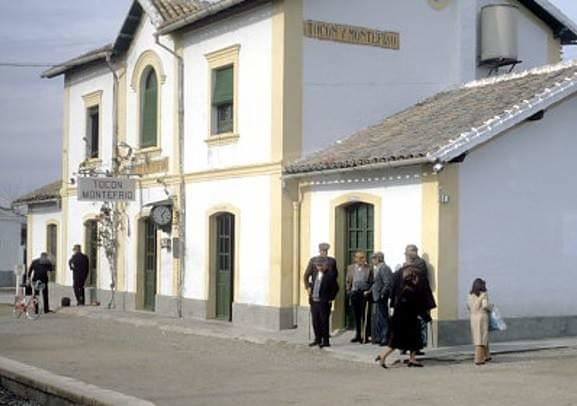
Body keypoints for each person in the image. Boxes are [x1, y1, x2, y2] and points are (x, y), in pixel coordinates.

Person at [376, 267, 426, 368]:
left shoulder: (402, 288)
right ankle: (382, 356)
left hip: (402, 319)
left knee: (413, 340)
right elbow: (415, 306)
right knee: (398, 341)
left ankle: (412, 359)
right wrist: (425, 316)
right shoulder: (411, 290)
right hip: (406, 320)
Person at [391, 244, 436, 354]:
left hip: (417, 299)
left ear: (414, 252)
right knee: (408, 326)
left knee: (417, 325)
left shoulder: (419, 264)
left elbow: (418, 280)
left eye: (408, 253)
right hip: (406, 299)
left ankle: (415, 348)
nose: (406, 255)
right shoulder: (406, 265)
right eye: (406, 253)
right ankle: (406, 348)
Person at [305, 257, 339, 348]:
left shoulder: (330, 275)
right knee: (315, 321)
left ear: (325, 266)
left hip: (324, 302)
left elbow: (336, 288)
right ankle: (317, 339)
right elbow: (312, 283)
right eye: (317, 265)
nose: (319, 267)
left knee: (324, 321)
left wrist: (330, 298)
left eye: (320, 265)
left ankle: (326, 341)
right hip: (314, 301)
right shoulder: (315, 274)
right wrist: (309, 289)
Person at [346, 250, 373, 344]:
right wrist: (349, 291)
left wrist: (368, 291)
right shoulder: (350, 268)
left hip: (364, 294)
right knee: (356, 316)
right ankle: (357, 335)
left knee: (364, 315)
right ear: (355, 258)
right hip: (354, 293)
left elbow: (371, 282)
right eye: (358, 257)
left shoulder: (369, 268)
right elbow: (348, 280)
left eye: (362, 257)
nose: (360, 260)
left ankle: (365, 335)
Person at [468, 278, 493, 365]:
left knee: (480, 336)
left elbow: (468, 306)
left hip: (473, 317)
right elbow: (485, 305)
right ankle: (478, 359)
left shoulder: (470, 295)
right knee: (481, 338)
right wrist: (491, 307)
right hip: (482, 317)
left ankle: (487, 355)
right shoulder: (484, 294)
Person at [371, 252, 393, 346]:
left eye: (373, 259)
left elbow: (387, 282)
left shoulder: (384, 268)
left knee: (383, 317)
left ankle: (385, 337)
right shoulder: (378, 268)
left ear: (378, 259)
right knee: (379, 317)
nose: (372, 261)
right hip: (377, 296)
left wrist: (382, 293)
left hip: (381, 296)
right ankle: (379, 336)